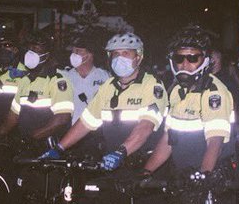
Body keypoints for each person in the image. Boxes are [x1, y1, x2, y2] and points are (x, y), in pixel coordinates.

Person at [141, 25, 235, 204]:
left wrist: (202, 179)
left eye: (192, 58)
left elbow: (215, 142)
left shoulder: (214, 92)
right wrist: (145, 172)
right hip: (182, 181)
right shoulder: (175, 91)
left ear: (205, 59)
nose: (185, 64)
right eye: (179, 58)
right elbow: (168, 140)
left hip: (209, 181)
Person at [47, 31, 166, 170]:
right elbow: (86, 122)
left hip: (140, 165)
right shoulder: (108, 86)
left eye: (126, 53)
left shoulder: (152, 85)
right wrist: (59, 148)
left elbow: (146, 127)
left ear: (138, 58)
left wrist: (120, 152)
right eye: (115, 54)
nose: (119, 58)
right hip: (109, 162)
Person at [0, 28, 74, 142]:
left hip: (46, 148)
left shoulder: (56, 80)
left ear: (47, 55)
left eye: (37, 49)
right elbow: (13, 116)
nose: (31, 53)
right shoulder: (25, 80)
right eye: (30, 48)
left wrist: (31, 137)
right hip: (26, 146)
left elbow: (62, 119)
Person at [61, 31, 109, 123]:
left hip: (95, 132)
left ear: (90, 54)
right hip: (70, 130)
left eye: (78, 51)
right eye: (73, 51)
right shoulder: (64, 76)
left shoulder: (105, 77)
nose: (74, 54)